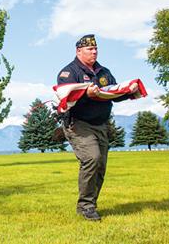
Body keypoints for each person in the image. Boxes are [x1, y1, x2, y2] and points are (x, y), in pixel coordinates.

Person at [57, 34, 138, 221]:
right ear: (79, 51)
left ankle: (90, 204)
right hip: (78, 123)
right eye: (89, 49)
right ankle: (85, 207)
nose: (94, 52)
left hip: (100, 124)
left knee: (100, 165)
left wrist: (128, 91)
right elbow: (66, 97)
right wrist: (85, 93)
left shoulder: (104, 72)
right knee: (92, 159)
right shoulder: (68, 73)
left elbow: (112, 93)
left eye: (95, 49)